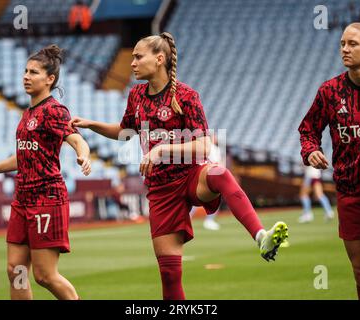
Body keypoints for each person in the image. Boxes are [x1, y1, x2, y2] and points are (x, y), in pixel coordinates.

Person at [69, 32, 288, 300]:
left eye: (139, 56)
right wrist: (92, 124)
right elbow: (125, 131)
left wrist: (163, 150)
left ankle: (260, 237)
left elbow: (204, 146)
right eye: (133, 57)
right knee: (170, 275)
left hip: (191, 176)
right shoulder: (136, 95)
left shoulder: (186, 95)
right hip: (161, 191)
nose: (133, 63)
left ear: (159, 59)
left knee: (220, 173)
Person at [0, 45, 91, 300]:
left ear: (50, 79)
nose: (26, 76)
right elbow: (25, 155)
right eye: (25, 71)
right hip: (22, 199)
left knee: (44, 276)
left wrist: (83, 154)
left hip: (46, 199)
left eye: (33, 72)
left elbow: (76, 139)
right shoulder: (28, 113)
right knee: (16, 270)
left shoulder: (54, 111)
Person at [299, 22, 360, 300]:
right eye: (342, 43)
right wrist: (311, 151)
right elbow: (307, 130)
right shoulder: (329, 92)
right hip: (349, 190)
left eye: (352, 44)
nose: (344, 49)